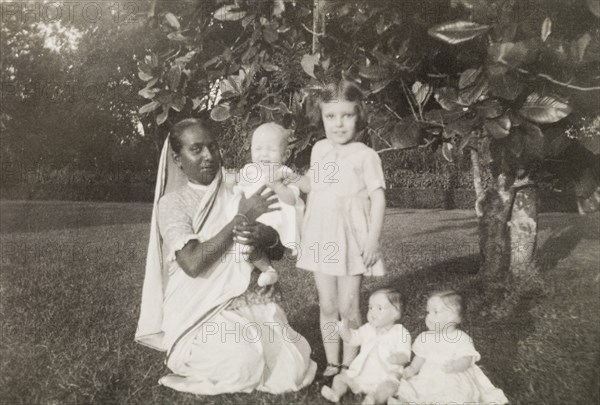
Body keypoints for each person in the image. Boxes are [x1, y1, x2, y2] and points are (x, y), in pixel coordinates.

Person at [135, 118, 316, 395]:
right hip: (199, 309)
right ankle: (193, 360)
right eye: (196, 149)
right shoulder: (172, 203)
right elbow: (193, 263)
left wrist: (265, 235)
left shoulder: (240, 186)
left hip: (248, 297)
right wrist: (242, 217)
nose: (208, 156)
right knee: (243, 363)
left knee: (293, 366)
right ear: (177, 158)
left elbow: (277, 250)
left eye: (212, 147)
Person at [297, 79, 387, 377]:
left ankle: (351, 364)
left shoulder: (366, 155)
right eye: (330, 116)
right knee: (327, 305)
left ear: (358, 115)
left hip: (351, 240)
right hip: (322, 236)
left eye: (346, 115)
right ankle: (333, 362)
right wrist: (279, 176)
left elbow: (378, 197)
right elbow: (311, 185)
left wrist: (372, 240)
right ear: (321, 118)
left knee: (349, 307)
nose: (338, 124)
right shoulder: (319, 150)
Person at [390, 291, 508, 405]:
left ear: (452, 317)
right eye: (428, 312)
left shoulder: (460, 337)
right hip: (429, 377)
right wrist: (409, 371)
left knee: (455, 393)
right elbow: (418, 361)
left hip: (454, 375)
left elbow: (466, 359)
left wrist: (455, 366)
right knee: (415, 389)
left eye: (435, 312)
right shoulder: (424, 337)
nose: (429, 316)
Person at [230, 122, 306, 287]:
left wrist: (278, 186)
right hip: (251, 214)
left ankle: (256, 263)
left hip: (274, 217)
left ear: (285, 154)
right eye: (258, 149)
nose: (263, 154)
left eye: (270, 150)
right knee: (244, 240)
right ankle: (268, 270)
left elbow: (291, 199)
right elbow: (235, 180)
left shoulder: (284, 173)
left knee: (246, 239)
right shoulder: (250, 169)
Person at [321, 289, 411, 404]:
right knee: (340, 378)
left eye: (379, 308)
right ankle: (335, 393)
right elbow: (353, 339)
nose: (373, 312)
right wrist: (343, 331)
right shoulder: (368, 328)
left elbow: (406, 354)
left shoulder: (401, 332)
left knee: (390, 387)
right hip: (360, 374)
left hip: (385, 376)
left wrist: (397, 358)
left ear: (395, 313)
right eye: (370, 308)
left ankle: (374, 399)